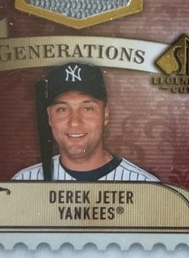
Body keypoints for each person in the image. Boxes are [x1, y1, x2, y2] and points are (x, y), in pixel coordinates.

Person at [12, 62, 158, 181]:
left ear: (105, 114)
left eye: (88, 108)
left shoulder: (148, 188)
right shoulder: (22, 184)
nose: (74, 122)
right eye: (62, 109)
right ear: (49, 117)